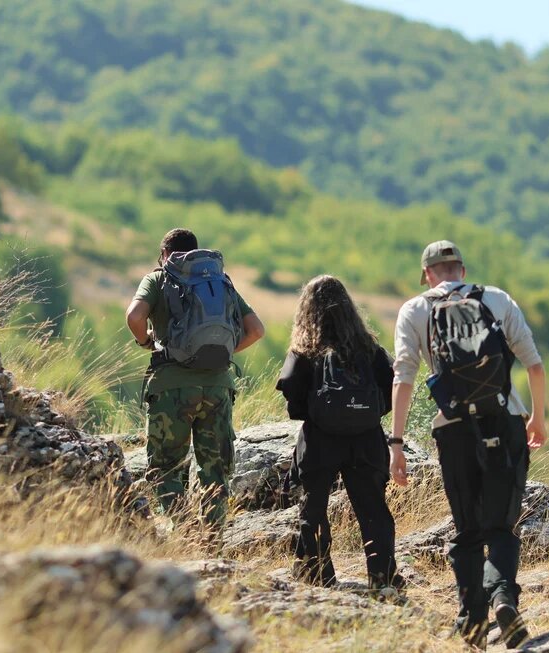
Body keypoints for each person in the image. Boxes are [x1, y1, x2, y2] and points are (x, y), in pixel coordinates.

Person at [390, 240, 547, 649]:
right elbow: (534, 364)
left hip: (454, 428)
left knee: (467, 529)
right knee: (501, 526)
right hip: (506, 421)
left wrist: (397, 442)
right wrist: (537, 418)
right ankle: (503, 598)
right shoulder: (496, 299)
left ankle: (473, 622)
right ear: (461, 269)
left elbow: (403, 377)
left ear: (427, 274)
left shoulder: (415, 310)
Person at [125, 228, 265, 532]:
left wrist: (147, 342)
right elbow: (256, 330)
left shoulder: (158, 279)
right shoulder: (219, 282)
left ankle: (184, 533)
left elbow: (134, 317)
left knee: (166, 467)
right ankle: (212, 542)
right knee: (215, 470)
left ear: (165, 254)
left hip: (171, 387)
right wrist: (222, 352)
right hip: (218, 387)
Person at [276, 275, 401, 593]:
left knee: (314, 507)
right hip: (367, 440)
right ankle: (383, 578)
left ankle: (317, 575)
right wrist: (368, 414)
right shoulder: (369, 348)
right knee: (373, 510)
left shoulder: (306, 349)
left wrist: (313, 413)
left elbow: (289, 386)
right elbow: (393, 383)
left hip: (320, 440)